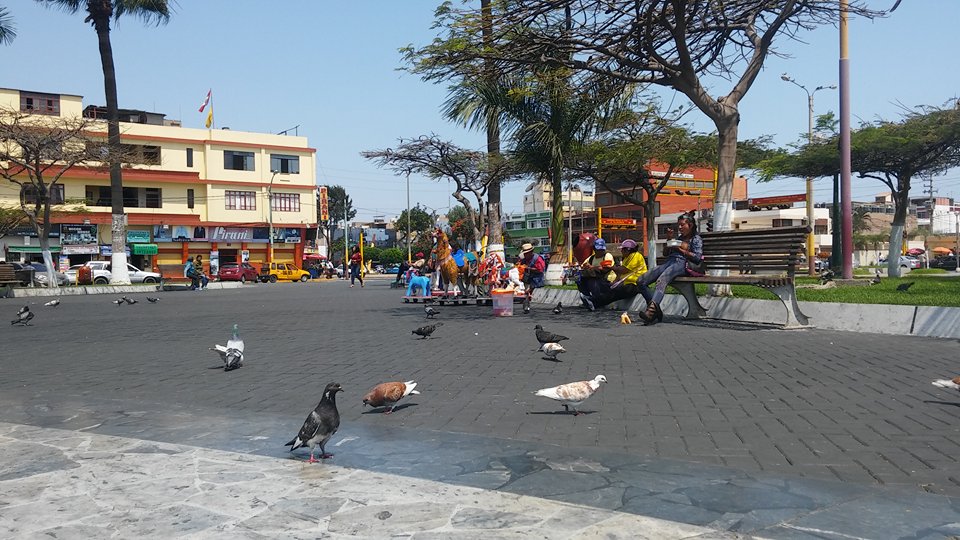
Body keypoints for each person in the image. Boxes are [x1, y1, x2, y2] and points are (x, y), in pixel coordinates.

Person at [636, 213, 703, 325]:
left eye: (682, 225)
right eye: (679, 225)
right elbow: (666, 253)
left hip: (682, 264)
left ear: (690, 225)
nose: (680, 228)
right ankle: (655, 310)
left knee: (662, 280)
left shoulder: (696, 239)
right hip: (669, 262)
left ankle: (650, 312)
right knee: (641, 281)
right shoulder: (679, 238)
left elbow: (697, 258)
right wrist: (669, 240)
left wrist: (680, 250)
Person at [591, 239, 648, 309]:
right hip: (626, 283)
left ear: (628, 250)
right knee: (609, 289)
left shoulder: (635, 256)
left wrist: (611, 267)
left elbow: (623, 270)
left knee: (614, 292)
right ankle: (595, 302)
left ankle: (594, 302)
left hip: (634, 284)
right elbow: (620, 273)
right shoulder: (626, 258)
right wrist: (615, 282)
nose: (621, 251)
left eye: (623, 250)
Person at [577, 238, 615, 311]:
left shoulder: (607, 256)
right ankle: (587, 297)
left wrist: (593, 267)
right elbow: (583, 265)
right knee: (580, 280)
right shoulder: (591, 258)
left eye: (601, 249)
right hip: (595, 279)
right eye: (598, 249)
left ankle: (594, 301)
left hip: (607, 281)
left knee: (592, 282)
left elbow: (606, 268)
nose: (600, 251)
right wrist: (586, 266)